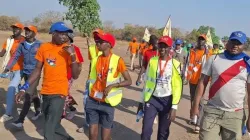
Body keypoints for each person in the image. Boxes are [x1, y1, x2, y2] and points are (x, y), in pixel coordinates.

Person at [16, 22, 77, 140]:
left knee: (48, 128)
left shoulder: (68, 50)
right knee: (54, 123)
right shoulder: (44, 48)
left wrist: (73, 56)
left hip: (60, 93)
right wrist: (24, 87)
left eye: (66, 34)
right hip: (46, 91)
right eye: (62, 34)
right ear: (53, 33)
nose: (65, 37)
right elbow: (37, 70)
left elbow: (75, 75)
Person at [191, 31, 250, 140]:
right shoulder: (214, 59)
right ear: (227, 43)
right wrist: (195, 106)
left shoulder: (247, 63)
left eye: (239, 43)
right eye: (233, 42)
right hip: (212, 111)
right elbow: (202, 83)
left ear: (244, 45)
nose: (235, 45)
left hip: (235, 115)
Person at [86, 32, 132, 140]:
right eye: (97, 41)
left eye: (101, 42)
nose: (98, 44)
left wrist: (112, 85)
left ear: (109, 45)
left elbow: (129, 81)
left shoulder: (117, 60)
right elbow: (92, 77)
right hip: (93, 100)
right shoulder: (95, 59)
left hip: (107, 103)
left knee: (105, 137)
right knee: (92, 135)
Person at [141, 36, 182, 140]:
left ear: (170, 48)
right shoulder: (152, 61)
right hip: (152, 99)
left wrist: (174, 107)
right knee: (146, 130)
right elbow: (147, 82)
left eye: (165, 46)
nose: (162, 48)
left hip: (167, 101)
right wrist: (141, 101)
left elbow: (177, 87)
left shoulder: (175, 64)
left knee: (163, 133)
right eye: (160, 46)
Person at [2, 25, 42, 128]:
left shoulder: (40, 45)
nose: (27, 32)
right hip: (25, 71)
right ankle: (38, 110)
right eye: (26, 31)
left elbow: (45, 59)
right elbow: (15, 56)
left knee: (28, 94)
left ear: (34, 33)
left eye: (29, 31)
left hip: (35, 73)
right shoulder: (22, 44)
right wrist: (8, 67)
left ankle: (20, 120)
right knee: (33, 93)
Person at [186, 34, 212, 133]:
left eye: (203, 40)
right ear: (197, 40)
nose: (201, 41)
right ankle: (194, 117)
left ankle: (198, 123)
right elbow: (188, 64)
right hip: (192, 79)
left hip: (202, 81)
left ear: (205, 42)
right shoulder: (192, 51)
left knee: (200, 101)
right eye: (199, 39)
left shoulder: (208, 54)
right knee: (193, 99)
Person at [0, 23, 25, 122]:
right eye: (13, 28)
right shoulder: (9, 41)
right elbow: (2, 53)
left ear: (21, 30)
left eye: (17, 28)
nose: (14, 30)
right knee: (18, 88)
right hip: (11, 68)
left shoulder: (24, 41)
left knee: (11, 88)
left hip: (21, 69)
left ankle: (8, 113)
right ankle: (32, 102)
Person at [64, 33, 84, 120]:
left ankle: (67, 111)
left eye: (64, 36)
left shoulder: (75, 49)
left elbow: (79, 64)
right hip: (58, 75)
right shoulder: (58, 47)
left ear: (69, 38)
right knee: (63, 94)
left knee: (64, 94)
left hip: (69, 76)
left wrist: (76, 75)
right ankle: (69, 109)